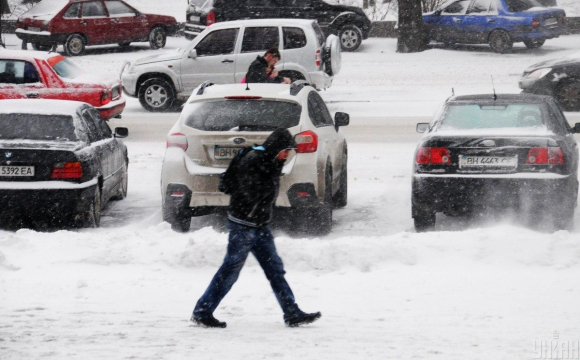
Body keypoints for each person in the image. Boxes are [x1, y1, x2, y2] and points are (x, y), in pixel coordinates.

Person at [192, 128, 321, 328]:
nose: (287, 155)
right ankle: (202, 311)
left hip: (259, 226)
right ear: (277, 148)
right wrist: (263, 188)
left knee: (275, 270)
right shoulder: (255, 161)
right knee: (229, 272)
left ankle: (292, 312)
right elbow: (248, 191)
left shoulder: (270, 161)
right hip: (243, 226)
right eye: (286, 151)